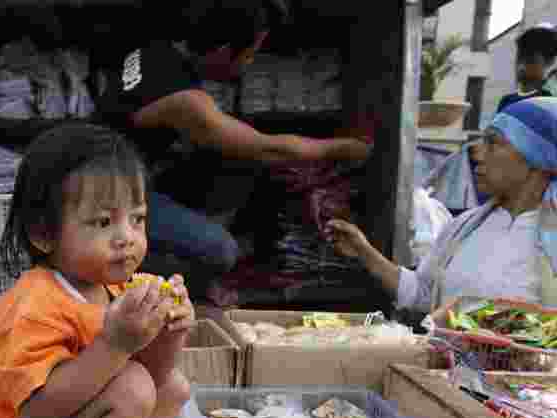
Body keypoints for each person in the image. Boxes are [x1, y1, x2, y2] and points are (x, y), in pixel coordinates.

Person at [0, 123, 195, 418]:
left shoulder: (115, 287)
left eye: (137, 219)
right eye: (103, 222)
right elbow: (38, 413)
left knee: (174, 387)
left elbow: (154, 374)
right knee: (132, 387)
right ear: (44, 234)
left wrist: (171, 333)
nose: (127, 238)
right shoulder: (33, 306)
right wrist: (116, 344)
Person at [97, 0, 372, 304]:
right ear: (223, 50)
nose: (249, 63)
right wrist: (347, 147)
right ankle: (141, 291)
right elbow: (272, 149)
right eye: (250, 54)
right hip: (108, 195)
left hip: (116, 172)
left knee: (233, 166)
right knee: (221, 252)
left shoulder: (157, 50)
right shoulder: (186, 103)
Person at [326, 97, 557, 338]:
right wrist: (365, 253)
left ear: (537, 158)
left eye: (493, 142)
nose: (477, 153)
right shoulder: (464, 226)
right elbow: (425, 296)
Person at [496, 23, 557, 113]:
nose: (522, 65)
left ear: (550, 61)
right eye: (520, 57)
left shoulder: (551, 100)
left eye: (530, 59)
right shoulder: (506, 101)